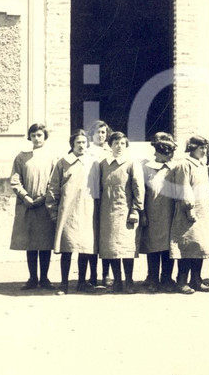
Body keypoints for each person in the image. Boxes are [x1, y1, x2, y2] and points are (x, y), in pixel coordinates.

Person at [46, 129, 100, 293]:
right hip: (68, 211)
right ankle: (64, 284)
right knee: (67, 248)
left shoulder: (94, 162)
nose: (81, 145)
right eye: (78, 142)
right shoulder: (63, 162)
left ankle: (82, 282)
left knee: (85, 248)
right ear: (72, 144)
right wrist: (54, 212)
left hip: (88, 209)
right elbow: (53, 188)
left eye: (84, 142)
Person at [9, 123, 58, 291]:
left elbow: (54, 181)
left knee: (44, 243)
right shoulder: (22, 157)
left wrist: (44, 198)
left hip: (45, 205)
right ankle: (32, 278)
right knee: (30, 243)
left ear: (45, 137)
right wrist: (25, 197)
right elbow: (15, 180)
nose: (37, 138)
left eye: (40, 135)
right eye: (33, 135)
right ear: (29, 137)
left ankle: (44, 278)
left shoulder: (52, 157)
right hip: (27, 205)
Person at [169, 135, 209, 294]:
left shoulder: (202, 165)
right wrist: (189, 209)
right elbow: (184, 188)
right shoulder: (184, 165)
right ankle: (181, 281)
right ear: (192, 148)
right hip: (188, 212)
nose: (204, 151)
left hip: (203, 211)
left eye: (205, 148)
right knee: (187, 246)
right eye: (201, 148)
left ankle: (196, 280)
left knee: (200, 246)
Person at [98, 131, 145, 293]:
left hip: (125, 212)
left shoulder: (131, 164)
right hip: (107, 212)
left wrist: (135, 209)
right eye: (116, 143)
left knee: (126, 248)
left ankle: (129, 281)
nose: (119, 146)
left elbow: (139, 189)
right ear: (110, 145)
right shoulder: (103, 164)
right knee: (111, 248)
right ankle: (117, 281)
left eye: (122, 143)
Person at [139, 132, 178, 293]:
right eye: (166, 153)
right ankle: (153, 278)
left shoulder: (175, 168)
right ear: (158, 152)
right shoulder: (146, 168)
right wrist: (142, 213)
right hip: (152, 213)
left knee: (169, 247)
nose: (169, 157)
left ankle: (167, 278)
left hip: (170, 213)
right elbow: (140, 192)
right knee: (153, 246)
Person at [86, 120, 112, 288]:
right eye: (98, 132)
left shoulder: (111, 151)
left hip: (107, 199)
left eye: (103, 132)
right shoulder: (87, 152)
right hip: (91, 197)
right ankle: (93, 274)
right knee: (92, 238)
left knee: (106, 237)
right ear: (92, 134)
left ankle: (106, 274)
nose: (101, 135)